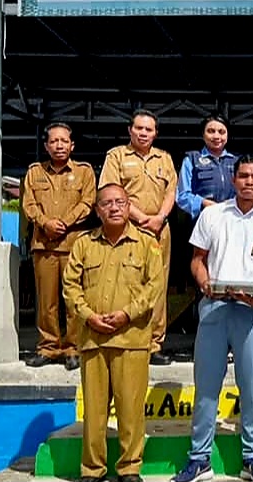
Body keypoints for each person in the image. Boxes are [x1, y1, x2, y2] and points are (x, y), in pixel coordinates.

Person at [174, 154, 253, 482]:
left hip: (252, 312)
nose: (249, 181)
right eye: (243, 176)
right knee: (206, 386)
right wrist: (204, 281)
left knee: (251, 388)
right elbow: (197, 259)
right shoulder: (213, 216)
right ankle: (199, 459)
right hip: (214, 306)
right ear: (234, 179)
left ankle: (252, 456)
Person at [62, 183, 163, 482]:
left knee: (131, 408)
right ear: (97, 210)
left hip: (131, 339)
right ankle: (92, 469)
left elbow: (153, 287)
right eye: (107, 203)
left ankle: (129, 468)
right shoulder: (84, 243)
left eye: (120, 202)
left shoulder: (147, 243)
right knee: (94, 410)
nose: (114, 208)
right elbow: (70, 285)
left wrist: (126, 314)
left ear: (130, 205)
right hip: (93, 338)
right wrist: (88, 316)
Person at [99, 109, 178, 366]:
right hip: (127, 228)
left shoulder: (164, 158)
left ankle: (154, 343)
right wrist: (142, 218)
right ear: (130, 130)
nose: (144, 133)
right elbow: (111, 192)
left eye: (149, 129)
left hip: (159, 230)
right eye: (139, 128)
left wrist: (160, 218)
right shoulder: (116, 156)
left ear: (155, 133)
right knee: (127, 283)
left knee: (158, 284)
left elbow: (171, 192)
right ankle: (128, 336)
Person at [22, 122, 96, 370]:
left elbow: (88, 203)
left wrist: (63, 223)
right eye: (54, 141)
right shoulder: (34, 172)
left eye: (64, 141)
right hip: (44, 244)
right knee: (46, 302)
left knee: (73, 299)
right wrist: (45, 223)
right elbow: (28, 205)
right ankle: (48, 347)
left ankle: (74, 347)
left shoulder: (85, 172)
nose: (59, 145)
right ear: (46, 146)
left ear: (72, 145)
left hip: (74, 243)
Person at [177, 113, 237, 221]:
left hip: (232, 220)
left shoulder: (237, 161)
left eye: (221, 132)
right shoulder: (191, 159)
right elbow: (182, 196)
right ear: (203, 135)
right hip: (203, 220)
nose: (216, 136)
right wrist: (203, 203)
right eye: (211, 131)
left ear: (227, 135)